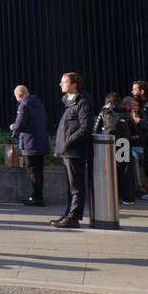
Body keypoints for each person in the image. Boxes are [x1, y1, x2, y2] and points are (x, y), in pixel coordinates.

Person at [52, 72, 94, 228]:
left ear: (74, 84)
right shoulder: (67, 101)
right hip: (66, 150)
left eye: (64, 82)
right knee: (70, 186)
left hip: (75, 150)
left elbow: (85, 127)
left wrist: (68, 141)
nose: (61, 84)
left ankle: (74, 217)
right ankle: (68, 214)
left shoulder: (83, 101)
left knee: (76, 186)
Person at [10, 85, 50, 206]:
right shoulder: (38, 103)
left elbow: (20, 123)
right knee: (38, 170)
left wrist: (13, 126)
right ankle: (38, 196)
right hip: (41, 141)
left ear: (19, 95)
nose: (17, 100)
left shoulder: (24, 105)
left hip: (30, 143)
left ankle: (37, 198)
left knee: (32, 171)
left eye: (16, 97)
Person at [96, 93, 135, 205]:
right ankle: (128, 197)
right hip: (124, 143)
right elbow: (134, 128)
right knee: (126, 169)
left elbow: (96, 128)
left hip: (108, 143)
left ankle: (113, 196)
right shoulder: (125, 112)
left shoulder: (104, 111)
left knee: (110, 169)